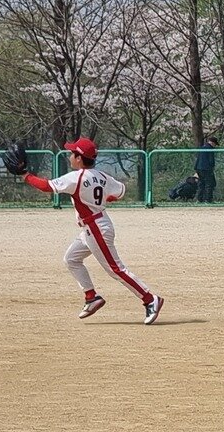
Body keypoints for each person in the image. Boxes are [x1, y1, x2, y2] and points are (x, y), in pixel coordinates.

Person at [20, 137, 164, 324]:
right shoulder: (102, 176)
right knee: (71, 259)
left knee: (116, 269)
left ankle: (150, 299)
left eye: (72, 153)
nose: (70, 156)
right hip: (96, 225)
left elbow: (47, 187)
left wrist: (25, 175)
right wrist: (102, 199)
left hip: (96, 228)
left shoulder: (76, 177)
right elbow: (119, 192)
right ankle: (91, 297)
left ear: (79, 158)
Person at [195, 135, 218, 203]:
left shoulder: (202, 148)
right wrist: (212, 167)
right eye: (215, 144)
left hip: (199, 168)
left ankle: (199, 199)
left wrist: (196, 168)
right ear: (212, 143)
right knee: (209, 184)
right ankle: (208, 200)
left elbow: (198, 159)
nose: (215, 146)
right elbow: (211, 160)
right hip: (207, 169)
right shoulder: (210, 149)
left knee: (201, 184)